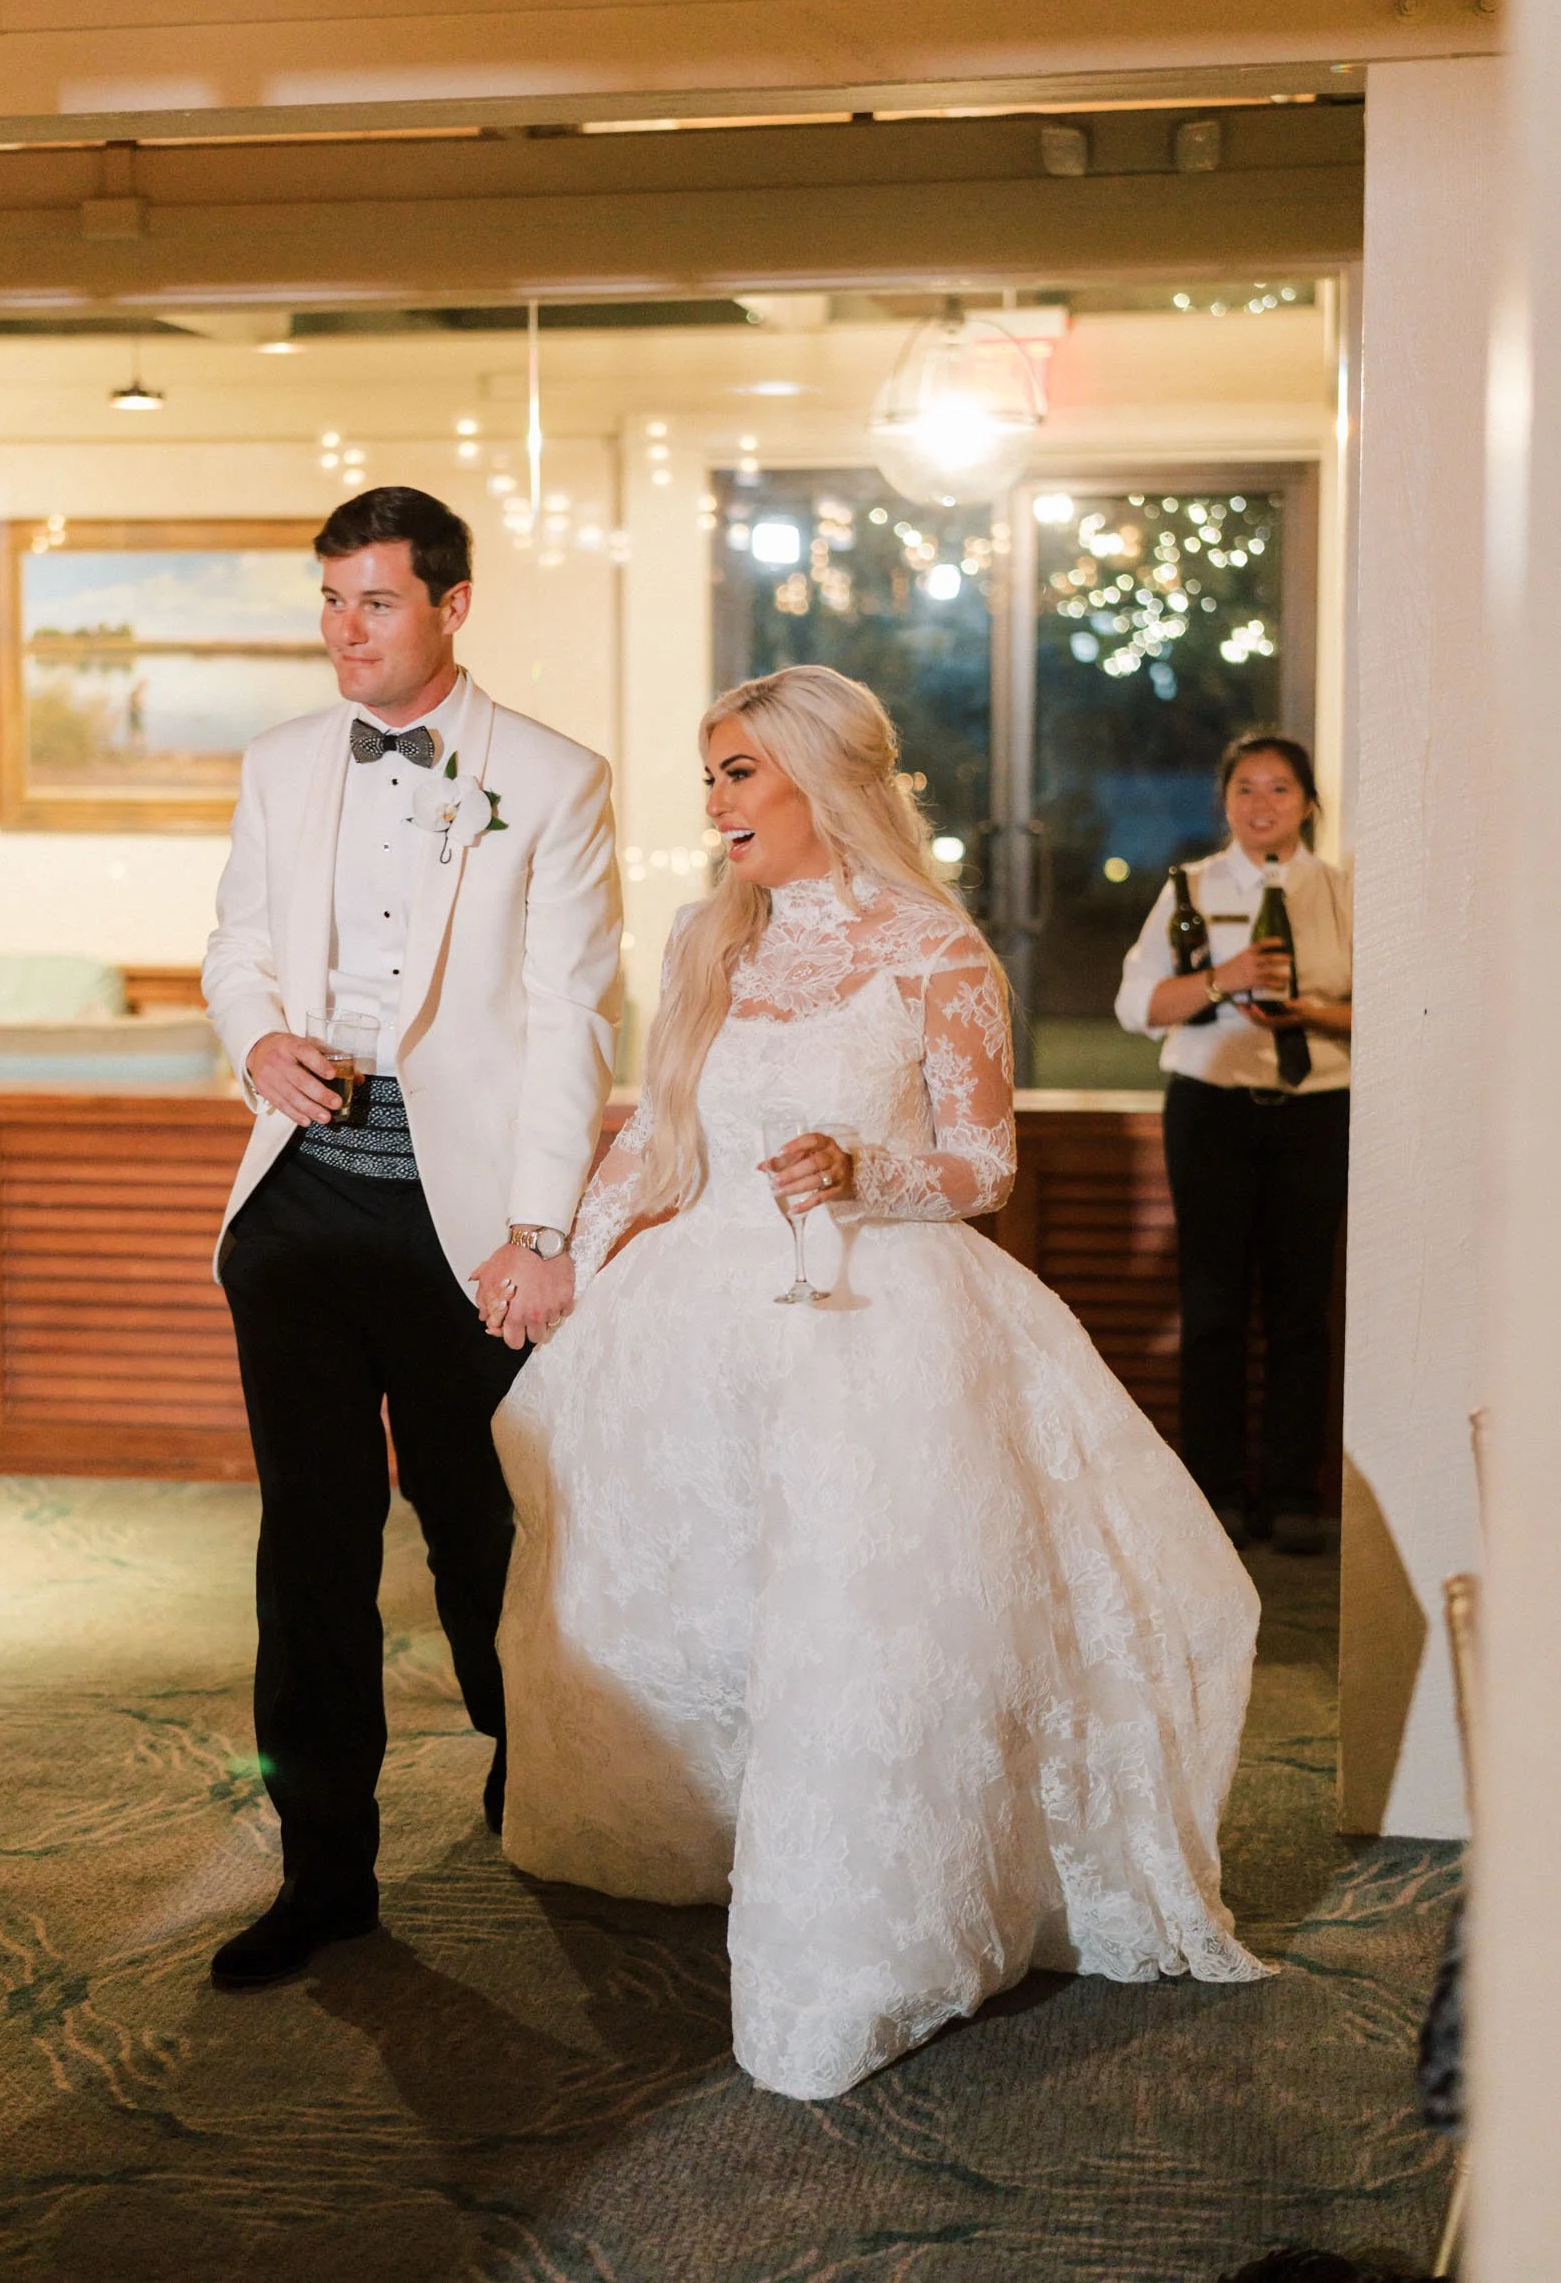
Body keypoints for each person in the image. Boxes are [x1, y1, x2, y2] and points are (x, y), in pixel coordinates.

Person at [490, 664, 1264, 2103]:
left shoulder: (936, 952)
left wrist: (862, 1169)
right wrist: (562, 1260)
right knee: (702, 1589)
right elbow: (652, 1140)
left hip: (874, 1317)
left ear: (822, 779)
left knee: (854, 1621)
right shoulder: (708, 937)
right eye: (710, 775)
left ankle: (867, 1932)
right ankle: (717, 1838)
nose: (714, 803)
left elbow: (984, 1167)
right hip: (703, 1310)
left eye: (737, 773)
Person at [201, 486, 622, 1988]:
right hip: (303, 1203)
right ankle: (323, 1875)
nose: (344, 631)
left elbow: (574, 1016)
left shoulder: (555, 779)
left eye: (374, 602)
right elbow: (238, 942)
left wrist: (542, 1228)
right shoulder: (278, 761)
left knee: (483, 1530)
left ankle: (538, 1793)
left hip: (468, 1227)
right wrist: (256, 1038)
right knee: (309, 1549)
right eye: (330, 601)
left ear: (452, 604)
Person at [1114, 732, 1353, 1555]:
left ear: (1309, 804)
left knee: (1300, 1310)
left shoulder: (1342, 891)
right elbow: (1136, 1005)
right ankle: (1213, 1491)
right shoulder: (1190, 886)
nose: (1261, 804)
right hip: (1211, 1110)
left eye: (1280, 789)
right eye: (1245, 788)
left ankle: (1291, 1495)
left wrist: (1311, 1012)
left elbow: (1389, 1006)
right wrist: (1226, 977)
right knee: (1212, 1306)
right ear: (1225, 803)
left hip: (1316, 1109)